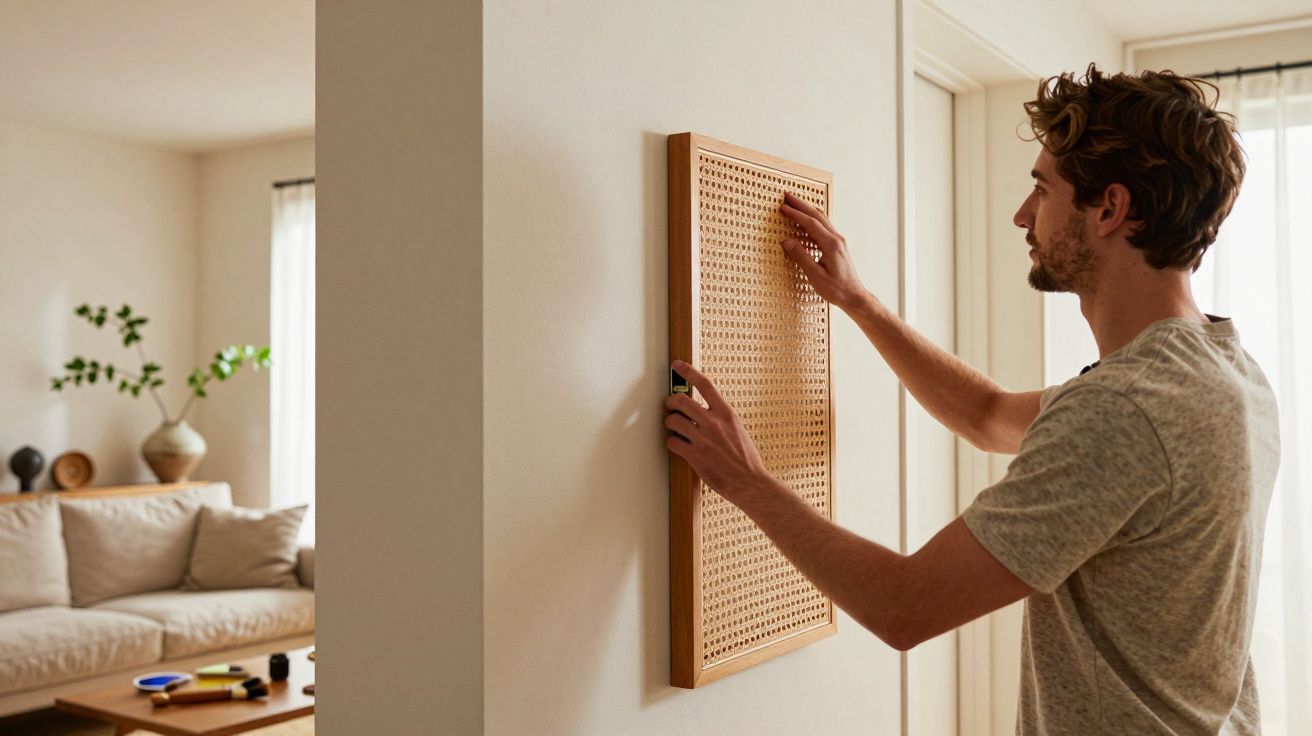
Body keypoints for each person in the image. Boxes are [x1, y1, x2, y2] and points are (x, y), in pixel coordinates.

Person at [664, 63, 1278, 735]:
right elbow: (987, 417)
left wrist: (746, 480)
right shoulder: (1226, 372)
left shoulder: (1125, 410)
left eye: (1042, 190)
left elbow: (904, 605)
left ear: (1110, 209)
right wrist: (861, 305)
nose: (1022, 215)